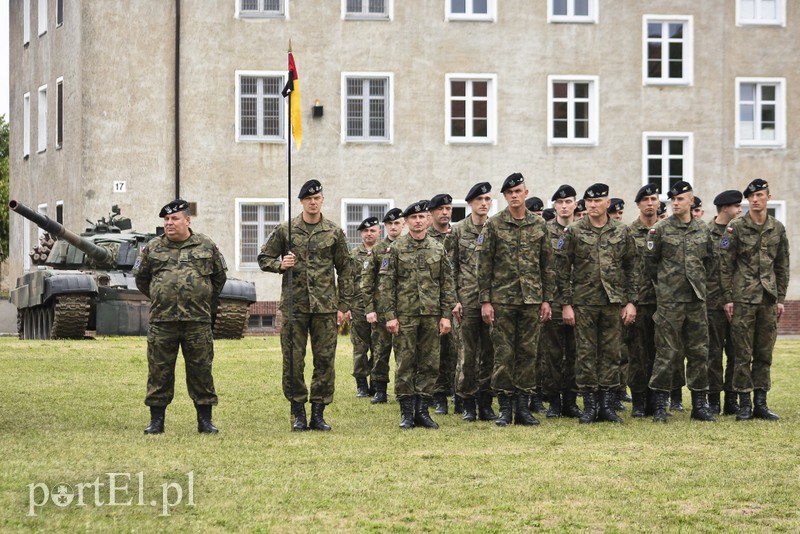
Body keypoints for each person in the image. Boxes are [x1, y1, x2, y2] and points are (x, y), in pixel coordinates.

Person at [258, 180, 353, 432]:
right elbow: (264, 257)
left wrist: (343, 305)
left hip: (325, 307)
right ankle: (298, 411)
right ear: (301, 201)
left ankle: (318, 413)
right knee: (293, 360)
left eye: (317, 198)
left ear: (322, 200)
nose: (313, 202)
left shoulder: (334, 232)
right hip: (295, 306)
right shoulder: (286, 230)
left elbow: (346, 269)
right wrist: (280, 265)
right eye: (309, 199)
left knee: (325, 361)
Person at [134, 199, 227, 435]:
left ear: (187, 220)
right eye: (166, 219)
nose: (169, 223)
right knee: (159, 371)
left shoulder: (206, 245)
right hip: (162, 322)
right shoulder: (152, 248)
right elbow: (141, 279)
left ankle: (205, 421)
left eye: (174, 218)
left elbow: (219, 278)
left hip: (197, 321)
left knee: (201, 370)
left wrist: (201, 297)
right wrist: (161, 296)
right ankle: (156, 422)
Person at [554, 183, 638, 424]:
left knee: (612, 353)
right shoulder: (574, 231)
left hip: (613, 302)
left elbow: (633, 268)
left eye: (598, 201)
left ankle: (607, 406)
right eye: (589, 201)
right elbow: (561, 270)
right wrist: (566, 304)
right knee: (586, 354)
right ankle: (590, 406)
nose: (592, 205)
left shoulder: (622, 231)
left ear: (607, 203)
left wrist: (631, 302)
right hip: (584, 302)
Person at [478, 172, 554, 427]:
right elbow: (484, 265)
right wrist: (485, 301)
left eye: (518, 191)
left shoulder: (539, 225)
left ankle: (523, 407)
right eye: (509, 193)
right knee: (504, 353)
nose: (514, 196)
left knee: (528, 353)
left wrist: (546, 299)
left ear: (525, 193)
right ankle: (504, 407)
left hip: (531, 300)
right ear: (505, 196)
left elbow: (547, 265)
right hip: (502, 300)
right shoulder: (494, 224)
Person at [378, 200, 456, 429]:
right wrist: (390, 316)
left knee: (430, 364)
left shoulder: (438, 248)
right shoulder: (396, 249)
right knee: (405, 363)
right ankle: (406, 412)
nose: (418, 221)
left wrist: (446, 315)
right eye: (413, 217)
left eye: (422, 217)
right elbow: (386, 284)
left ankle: (422, 411)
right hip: (405, 316)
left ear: (427, 220)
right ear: (406, 222)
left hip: (431, 315)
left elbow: (447, 284)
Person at [646, 181, 716, 423]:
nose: (675, 203)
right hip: (670, 302)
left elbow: (710, 262)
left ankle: (699, 405)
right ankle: (660, 405)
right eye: (672, 199)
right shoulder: (660, 229)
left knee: (699, 352)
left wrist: (698, 283)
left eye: (680, 199)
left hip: (696, 301)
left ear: (691, 201)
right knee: (666, 353)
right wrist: (666, 287)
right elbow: (650, 264)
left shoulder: (702, 229)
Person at [720, 179, 789, 421]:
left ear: (768, 197)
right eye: (751, 197)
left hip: (768, 300)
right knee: (742, 353)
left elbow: (782, 266)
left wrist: (780, 298)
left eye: (760, 195)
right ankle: (744, 404)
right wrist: (728, 298)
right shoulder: (736, 227)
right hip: (743, 300)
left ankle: (761, 402)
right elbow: (725, 265)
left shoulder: (777, 228)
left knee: (764, 353)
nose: (755, 200)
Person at [451, 182, 496, 422]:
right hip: (466, 301)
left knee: (490, 353)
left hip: (492, 302)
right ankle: (467, 402)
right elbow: (450, 268)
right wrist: (454, 300)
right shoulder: (458, 231)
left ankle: (485, 403)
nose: (484, 203)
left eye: (487, 199)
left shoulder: (496, 228)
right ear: (470, 203)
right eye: (479, 199)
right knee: (467, 355)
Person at [539, 184, 582, 419]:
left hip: (580, 299)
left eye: (568, 202)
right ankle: (554, 401)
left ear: (575, 204)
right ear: (554, 206)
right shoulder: (544, 231)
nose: (564, 206)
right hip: (553, 300)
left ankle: (571, 400)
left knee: (576, 352)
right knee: (552, 353)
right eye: (560, 203)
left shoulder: (583, 230)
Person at [362, 208, 405, 404]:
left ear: (403, 224)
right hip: (381, 310)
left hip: (406, 308)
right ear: (385, 226)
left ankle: (405, 390)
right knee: (380, 351)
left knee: (407, 352)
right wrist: (369, 309)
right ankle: (380, 389)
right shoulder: (378, 250)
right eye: (390, 224)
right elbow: (367, 282)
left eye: (397, 223)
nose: (393, 227)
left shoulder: (408, 246)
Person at [706, 190, 743, 415]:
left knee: (736, 353)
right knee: (713, 353)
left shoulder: (740, 231)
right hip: (711, 303)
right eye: (736, 206)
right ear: (724, 208)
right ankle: (713, 400)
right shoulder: (705, 232)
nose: (740, 210)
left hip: (737, 301)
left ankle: (731, 399)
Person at [626, 184, 660, 417]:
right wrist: (628, 301)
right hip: (637, 302)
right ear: (638, 204)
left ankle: (657, 400)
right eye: (645, 200)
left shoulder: (666, 230)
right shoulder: (628, 232)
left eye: (653, 199)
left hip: (662, 302)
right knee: (637, 354)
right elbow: (623, 268)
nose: (650, 203)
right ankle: (638, 400)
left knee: (660, 353)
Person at [426, 193, 460, 415]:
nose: (445, 212)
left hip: (457, 301)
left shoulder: (457, 235)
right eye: (441, 209)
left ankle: (458, 393)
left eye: (448, 208)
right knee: (435, 351)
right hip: (431, 302)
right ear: (431, 213)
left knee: (457, 351)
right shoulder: (424, 237)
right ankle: (438, 396)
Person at [350, 217, 381, 398]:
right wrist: (346, 306)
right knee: (360, 347)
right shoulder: (353, 255)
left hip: (380, 307)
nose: (369, 234)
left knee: (379, 347)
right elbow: (347, 281)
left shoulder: (384, 252)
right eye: (366, 231)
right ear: (361, 233)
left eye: (372, 230)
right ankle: (361, 384)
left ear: (379, 232)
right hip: (358, 307)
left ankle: (376, 383)